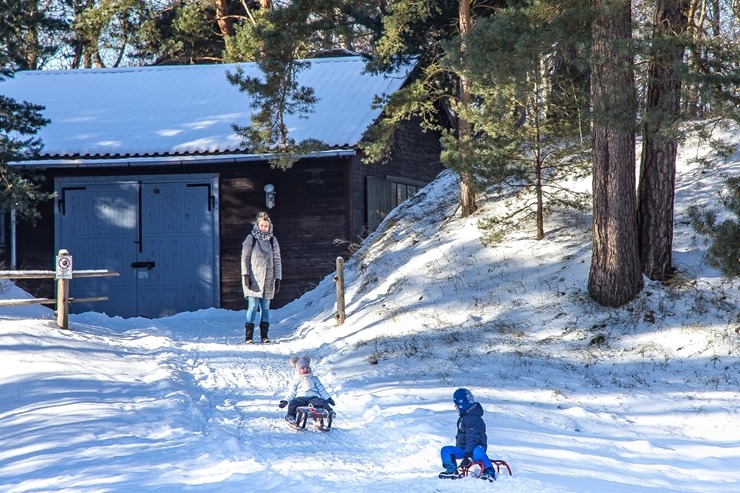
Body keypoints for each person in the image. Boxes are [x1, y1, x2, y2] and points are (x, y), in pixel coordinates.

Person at [438, 388, 497, 482]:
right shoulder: (464, 418)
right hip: (464, 450)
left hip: (475, 448)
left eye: (456, 405)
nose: (454, 406)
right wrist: (465, 453)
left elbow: (472, 438)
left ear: (462, 405)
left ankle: (489, 470)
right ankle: (451, 469)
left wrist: (468, 455)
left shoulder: (473, 419)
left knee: (478, 451)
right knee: (446, 450)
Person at [241, 211, 282, 344]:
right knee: (252, 306)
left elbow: (277, 259)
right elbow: (245, 258)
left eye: (266, 225)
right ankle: (249, 336)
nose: (264, 228)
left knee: (265, 307)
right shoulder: (251, 238)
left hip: (268, 279)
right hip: (253, 278)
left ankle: (265, 336)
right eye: (262, 225)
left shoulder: (272, 240)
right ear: (257, 225)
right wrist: (245, 275)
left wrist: (278, 277)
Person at [279, 356, 335, 425]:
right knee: (293, 403)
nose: (306, 369)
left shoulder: (314, 379)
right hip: (301, 398)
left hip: (313, 398)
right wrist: (285, 401)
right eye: (302, 368)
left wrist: (328, 398)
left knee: (322, 402)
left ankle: (329, 412)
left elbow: (322, 390)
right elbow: (291, 393)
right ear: (298, 370)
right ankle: (291, 416)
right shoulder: (296, 381)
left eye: (307, 367)